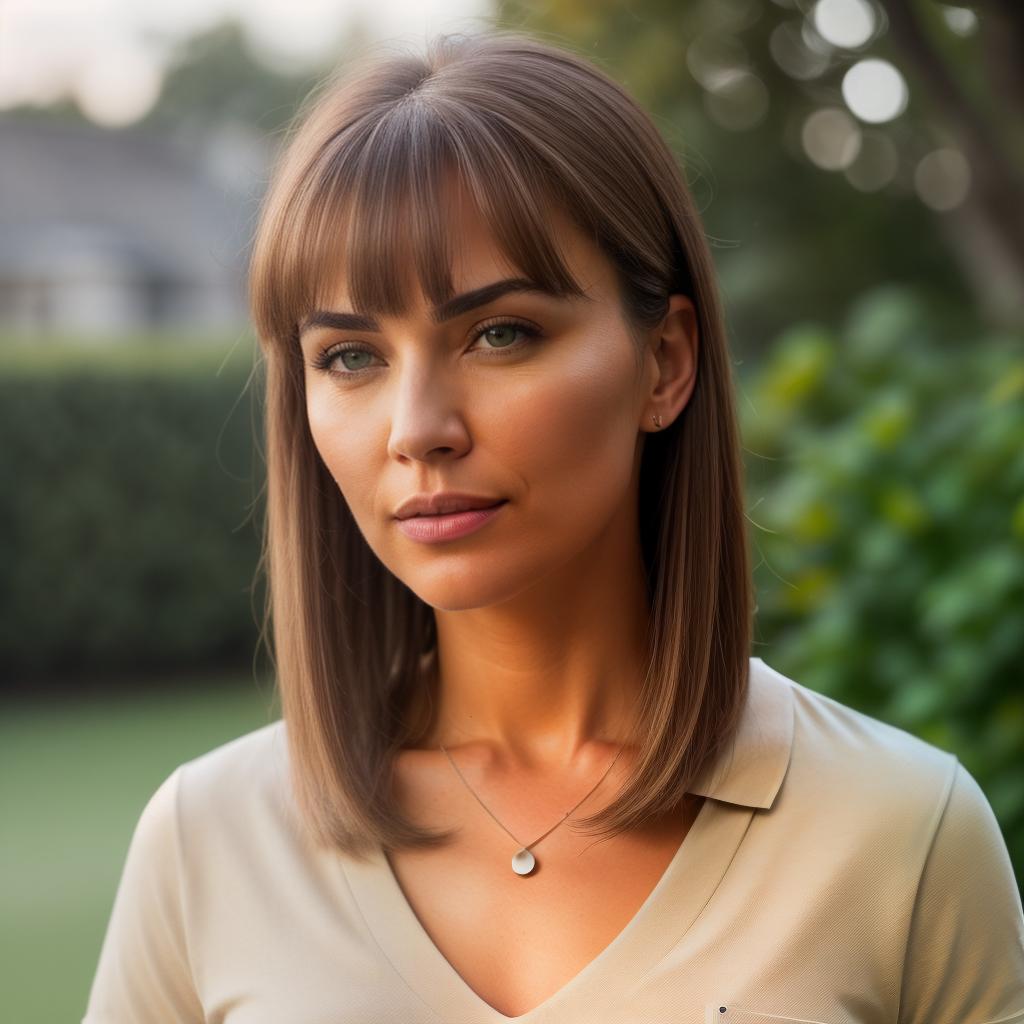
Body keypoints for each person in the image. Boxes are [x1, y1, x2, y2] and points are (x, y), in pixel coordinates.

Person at [82, 28, 1024, 1024]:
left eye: (500, 333)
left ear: (663, 362)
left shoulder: (897, 835)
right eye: (351, 356)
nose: (419, 431)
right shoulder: (210, 841)